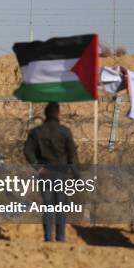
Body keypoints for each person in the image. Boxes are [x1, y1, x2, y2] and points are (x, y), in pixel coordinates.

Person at [24, 102, 79, 242]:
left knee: (48, 206)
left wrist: (38, 168)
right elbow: (72, 155)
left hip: (45, 173)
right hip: (61, 173)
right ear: (58, 114)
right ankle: (60, 238)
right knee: (60, 206)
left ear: (45, 114)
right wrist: (76, 175)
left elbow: (28, 151)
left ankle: (48, 238)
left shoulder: (37, 132)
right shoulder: (65, 131)